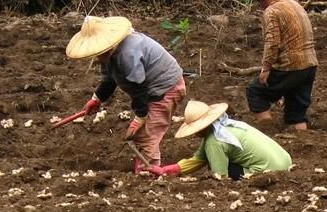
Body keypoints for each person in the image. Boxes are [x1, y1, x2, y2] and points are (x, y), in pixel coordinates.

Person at [65, 16, 185, 172]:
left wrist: (140, 117)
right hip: (149, 90)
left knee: (147, 134)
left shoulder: (128, 53)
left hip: (165, 88)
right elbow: (110, 79)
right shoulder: (108, 54)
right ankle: (143, 168)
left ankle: (149, 174)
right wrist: (97, 99)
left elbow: (138, 87)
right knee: (142, 134)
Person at [244, 0, 317, 131]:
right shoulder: (294, 4)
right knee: (296, 110)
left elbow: (272, 42)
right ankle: (302, 141)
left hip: (290, 65)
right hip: (309, 66)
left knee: (256, 92)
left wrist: (266, 68)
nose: (259, 3)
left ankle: (267, 133)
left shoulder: (272, 11)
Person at [147, 101, 291, 180]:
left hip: (269, 171)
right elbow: (198, 160)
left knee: (215, 165)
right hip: (285, 162)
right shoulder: (227, 127)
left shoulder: (214, 141)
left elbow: (220, 176)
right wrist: (167, 170)